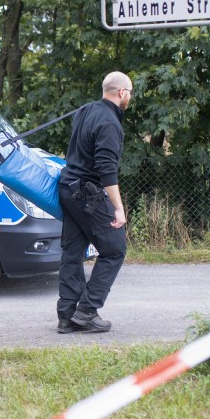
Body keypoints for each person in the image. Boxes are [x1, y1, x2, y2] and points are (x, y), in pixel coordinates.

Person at [56, 72, 132, 334]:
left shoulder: (86, 111)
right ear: (122, 92)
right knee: (114, 249)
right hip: (88, 194)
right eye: (130, 93)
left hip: (68, 189)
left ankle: (66, 316)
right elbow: (106, 169)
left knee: (72, 253)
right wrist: (119, 208)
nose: (129, 98)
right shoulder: (110, 122)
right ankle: (87, 311)